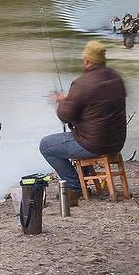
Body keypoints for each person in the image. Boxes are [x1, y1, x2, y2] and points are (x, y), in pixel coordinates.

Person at [40, 40, 127, 203]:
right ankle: (83, 178)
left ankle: (76, 186)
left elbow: (64, 116)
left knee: (46, 145)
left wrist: (62, 101)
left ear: (87, 60)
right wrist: (71, 98)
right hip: (116, 142)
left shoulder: (82, 83)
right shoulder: (116, 78)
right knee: (81, 135)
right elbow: (98, 104)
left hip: (94, 144)